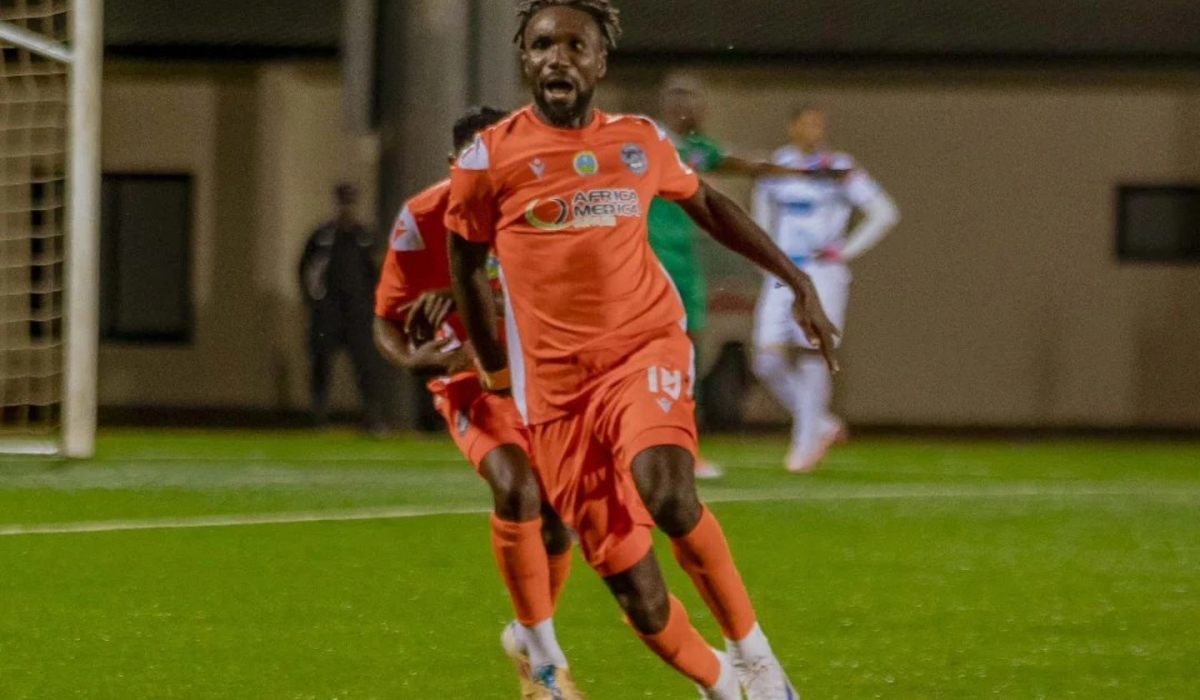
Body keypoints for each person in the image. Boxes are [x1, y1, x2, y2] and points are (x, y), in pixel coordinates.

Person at [446, 2, 839, 698]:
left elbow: (711, 204)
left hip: (642, 350)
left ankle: (756, 658)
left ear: (600, 62)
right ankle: (722, 683)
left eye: (576, 45)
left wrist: (795, 276)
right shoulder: (489, 158)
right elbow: (465, 263)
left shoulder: (639, 142)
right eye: (543, 45)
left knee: (667, 489)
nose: (558, 57)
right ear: (525, 60)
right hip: (556, 392)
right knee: (640, 596)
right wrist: (498, 373)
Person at [373, 106, 583, 700]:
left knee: (557, 523)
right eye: (474, 162)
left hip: (544, 381)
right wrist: (425, 362)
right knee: (516, 488)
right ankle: (546, 665)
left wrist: (475, 290)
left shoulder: (549, 210)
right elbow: (386, 320)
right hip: (471, 384)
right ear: (453, 164)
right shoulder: (422, 216)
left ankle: (526, 634)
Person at [649, 73, 795, 480]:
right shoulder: (644, 142)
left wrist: (795, 171)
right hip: (644, 262)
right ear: (666, 103)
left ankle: (685, 449)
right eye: (682, 97)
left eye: (697, 98)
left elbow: (741, 163)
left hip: (683, 263)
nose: (691, 106)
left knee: (687, 355)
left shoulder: (697, 149)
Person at [751, 105, 899, 473]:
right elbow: (760, 218)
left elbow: (884, 212)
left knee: (812, 352)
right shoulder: (776, 168)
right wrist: (763, 256)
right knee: (765, 360)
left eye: (819, 124)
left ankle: (804, 445)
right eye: (807, 123)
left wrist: (844, 250)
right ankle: (821, 423)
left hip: (822, 271)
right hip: (784, 269)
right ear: (792, 127)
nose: (814, 130)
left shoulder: (840, 168)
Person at [298, 183, 387, 435]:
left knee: (366, 366)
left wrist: (373, 306)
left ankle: (372, 418)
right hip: (328, 313)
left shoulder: (365, 237)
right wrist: (314, 302)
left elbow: (378, 274)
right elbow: (306, 270)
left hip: (358, 314)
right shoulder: (322, 237)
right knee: (321, 364)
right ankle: (318, 417)